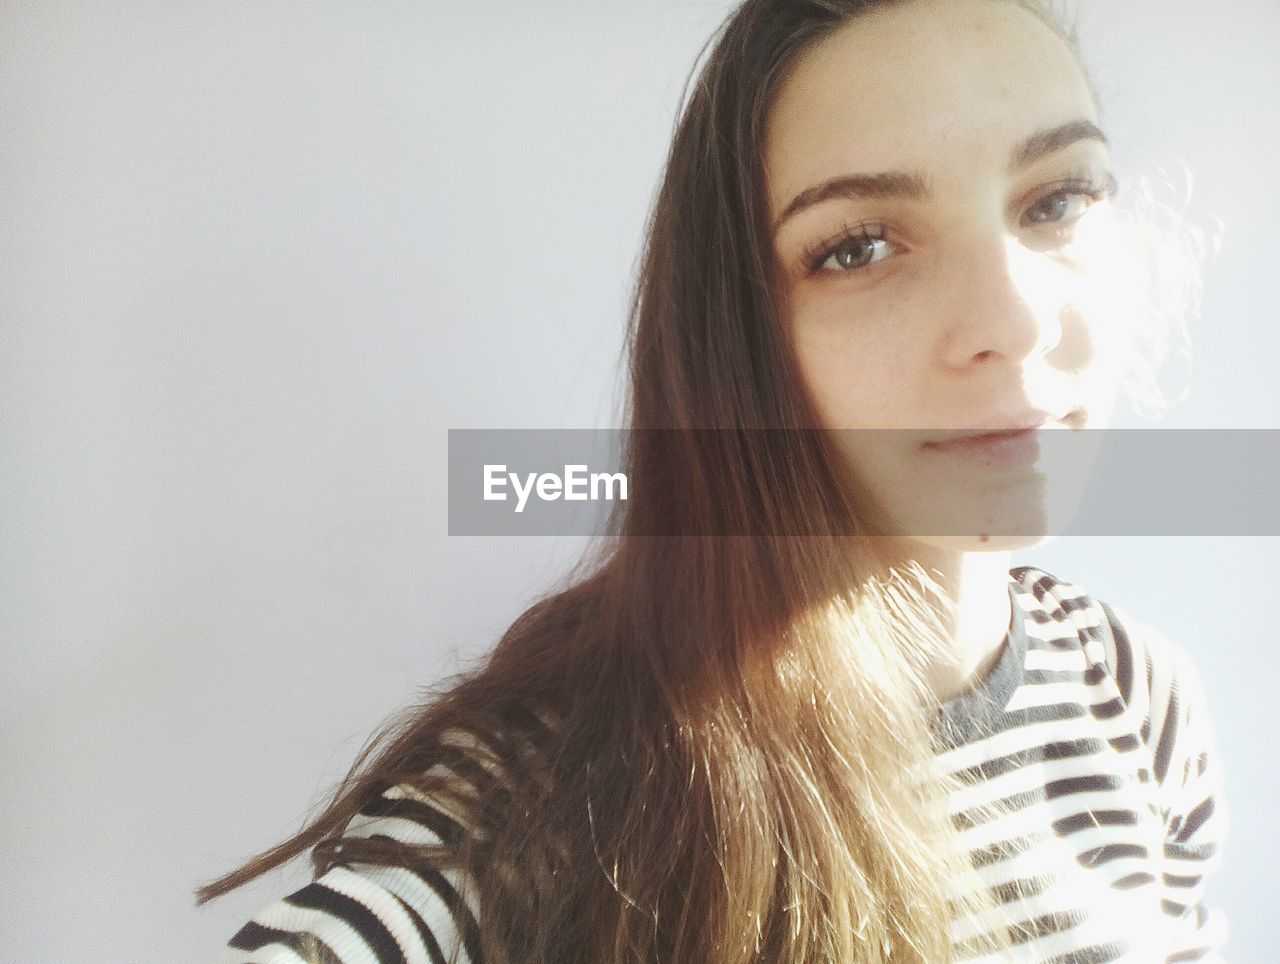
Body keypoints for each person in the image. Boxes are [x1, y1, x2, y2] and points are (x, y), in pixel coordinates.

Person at [197, 0, 1227, 960]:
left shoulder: (1138, 699)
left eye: (1056, 198)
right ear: (739, 339)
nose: (1012, 322)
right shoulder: (557, 795)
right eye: (857, 246)